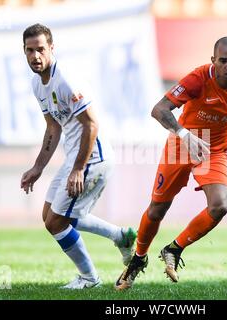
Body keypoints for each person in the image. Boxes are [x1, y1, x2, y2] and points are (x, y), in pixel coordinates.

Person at [115, 37, 227, 290]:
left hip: (214, 149)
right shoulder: (198, 79)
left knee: (220, 205)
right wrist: (184, 135)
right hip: (182, 144)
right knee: (157, 210)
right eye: (223, 60)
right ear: (213, 61)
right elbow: (159, 110)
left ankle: (174, 249)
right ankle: (138, 259)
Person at [20, 23, 136, 290]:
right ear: (24, 52)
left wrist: (78, 170)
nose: (35, 56)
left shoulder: (66, 80)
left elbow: (91, 124)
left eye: (40, 49)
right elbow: (53, 128)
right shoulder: (38, 84)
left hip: (93, 160)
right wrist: (38, 167)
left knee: (57, 222)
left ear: (51, 48)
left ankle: (89, 279)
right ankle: (121, 237)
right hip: (76, 160)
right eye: (29, 50)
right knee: (49, 214)